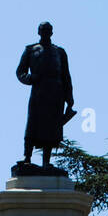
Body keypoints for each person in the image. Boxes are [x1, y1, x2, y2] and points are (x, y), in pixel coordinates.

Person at [15, 21, 74, 169]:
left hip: (56, 93)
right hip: (38, 91)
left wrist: (69, 98)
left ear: (52, 32)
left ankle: (46, 162)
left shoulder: (60, 52)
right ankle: (27, 157)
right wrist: (30, 79)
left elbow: (66, 76)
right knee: (32, 124)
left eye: (48, 30)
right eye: (43, 29)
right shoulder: (30, 50)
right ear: (38, 32)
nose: (46, 32)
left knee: (51, 127)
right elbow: (20, 71)